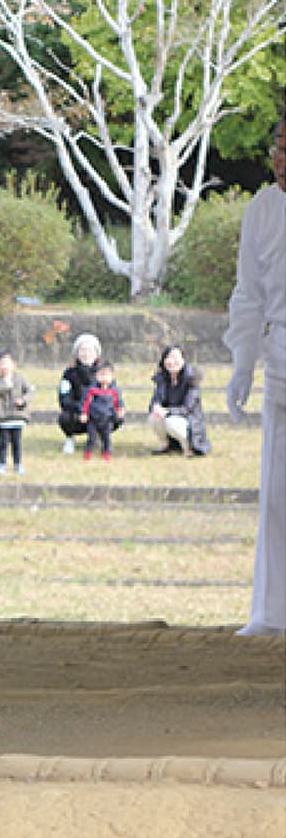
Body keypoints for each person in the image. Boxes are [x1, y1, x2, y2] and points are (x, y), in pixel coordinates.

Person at [225, 115, 286, 638]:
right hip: (282, 363)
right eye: (278, 147)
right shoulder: (264, 208)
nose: (280, 159)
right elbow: (249, 292)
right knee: (276, 494)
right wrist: (243, 362)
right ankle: (271, 614)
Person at [57, 333, 120, 454]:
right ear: (77, 353)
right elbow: (64, 399)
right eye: (82, 350)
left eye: (90, 350)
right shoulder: (69, 373)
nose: (86, 354)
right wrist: (82, 409)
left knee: (116, 416)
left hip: (100, 413)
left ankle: (102, 437)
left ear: (96, 353)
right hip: (78, 414)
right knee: (64, 417)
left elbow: (113, 394)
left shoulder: (105, 372)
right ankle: (70, 438)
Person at [148, 345, 211, 457]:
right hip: (169, 416)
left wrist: (167, 411)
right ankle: (165, 445)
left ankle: (188, 447)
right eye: (169, 358)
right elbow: (156, 399)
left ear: (183, 360)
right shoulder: (162, 378)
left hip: (189, 421)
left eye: (176, 357)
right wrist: (156, 407)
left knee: (171, 422)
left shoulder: (192, 378)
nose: (172, 361)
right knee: (153, 418)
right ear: (164, 361)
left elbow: (187, 408)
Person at [0, 350, 34, 475]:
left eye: (7, 363)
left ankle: (18, 464)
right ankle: (2, 464)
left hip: (17, 417)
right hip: (2, 419)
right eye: (1, 363)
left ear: (14, 365)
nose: (4, 366)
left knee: (17, 442)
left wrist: (23, 401)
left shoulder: (20, 379)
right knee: (3, 443)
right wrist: (5, 387)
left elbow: (30, 392)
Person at [79, 360, 124, 461]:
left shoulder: (114, 391)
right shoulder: (92, 390)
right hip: (93, 419)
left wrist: (120, 410)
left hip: (107, 418)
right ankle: (88, 452)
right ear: (96, 376)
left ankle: (106, 452)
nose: (104, 378)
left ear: (112, 376)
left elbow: (118, 402)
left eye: (107, 375)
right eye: (101, 375)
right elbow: (85, 403)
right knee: (92, 438)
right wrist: (84, 413)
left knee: (107, 438)